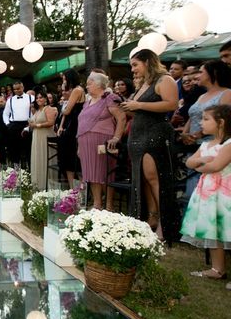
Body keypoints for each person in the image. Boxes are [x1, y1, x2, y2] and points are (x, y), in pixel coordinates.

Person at [121, 49, 179, 242]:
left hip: (155, 133)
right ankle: (151, 218)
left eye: (135, 65)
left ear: (147, 62)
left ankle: (164, 223)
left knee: (155, 178)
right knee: (143, 178)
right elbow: (137, 111)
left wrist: (139, 106)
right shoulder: (143, 84)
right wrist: (128, 107)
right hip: (137, 134)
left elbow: (171, 105)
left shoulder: (165, 80)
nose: (133, 70)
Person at [182, 105, 231, 286]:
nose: (201, 122)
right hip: (209, 195)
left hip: (225, 195)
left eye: (205, 119)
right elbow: (189, 162)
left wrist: (200, 166)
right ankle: (218, 269)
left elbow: (216, 166)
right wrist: (200, 160)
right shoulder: (205, 144)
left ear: (221, 123)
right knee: (214, 230)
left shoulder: (228, 144)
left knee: (228, 228)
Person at [180, 60, 231, 196]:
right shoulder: (202, 95)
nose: (197, 76)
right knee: (193, 188)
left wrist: (198, 135)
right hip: (193, 147)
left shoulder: (227, 94)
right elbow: (193, 116)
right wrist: (185, 133)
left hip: (214, 147)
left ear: (213, 73)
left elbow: (224, 120)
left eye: (201, 72)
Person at [77, 72, 127, 210]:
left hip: (104, 141)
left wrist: (116, 138)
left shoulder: (110, 98)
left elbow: (121, 118)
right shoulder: (87, 102)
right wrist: (79, 146)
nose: (87, 86)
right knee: (91, 173)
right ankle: (97, 204)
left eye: (89, 83)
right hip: (85, 141)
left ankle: (109, 205)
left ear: (99, 84)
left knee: (106, 173)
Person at [57, 70, 85, 188]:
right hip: (69, 125)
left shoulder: (77, 90)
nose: (63, 82)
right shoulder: (72, 91)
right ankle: (72, 188)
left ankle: (81, 189)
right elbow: (65, 113)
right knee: (68, 160)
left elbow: (67, 110)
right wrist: (61, 126)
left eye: (64, 79)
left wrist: (63, 106)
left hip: (75, 125)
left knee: (74, 160)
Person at [28, 92, 58, 191]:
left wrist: (37, 125)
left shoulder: (48, 109)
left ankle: (46, 185)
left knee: (44, 158)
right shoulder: (37, 110)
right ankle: (37, 185)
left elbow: (51, 122)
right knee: (37, 158)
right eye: (37, 98)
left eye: (41, 97)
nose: (38, 99)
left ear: (45, 99)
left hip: (45, 137)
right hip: (36, 137)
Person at [3, 80, 34, 169]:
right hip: (14, 126)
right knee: (14, 150)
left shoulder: (31, 98)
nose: (17, 91)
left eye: (19, 88)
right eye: (15, 89)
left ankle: (29, 170)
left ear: (23, 87)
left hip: (27, 125)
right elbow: (5, 113)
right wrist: (8, 124)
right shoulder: (10, 100)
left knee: (28, 149)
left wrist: (31, 124)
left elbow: (35, 111)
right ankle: (15, 171)